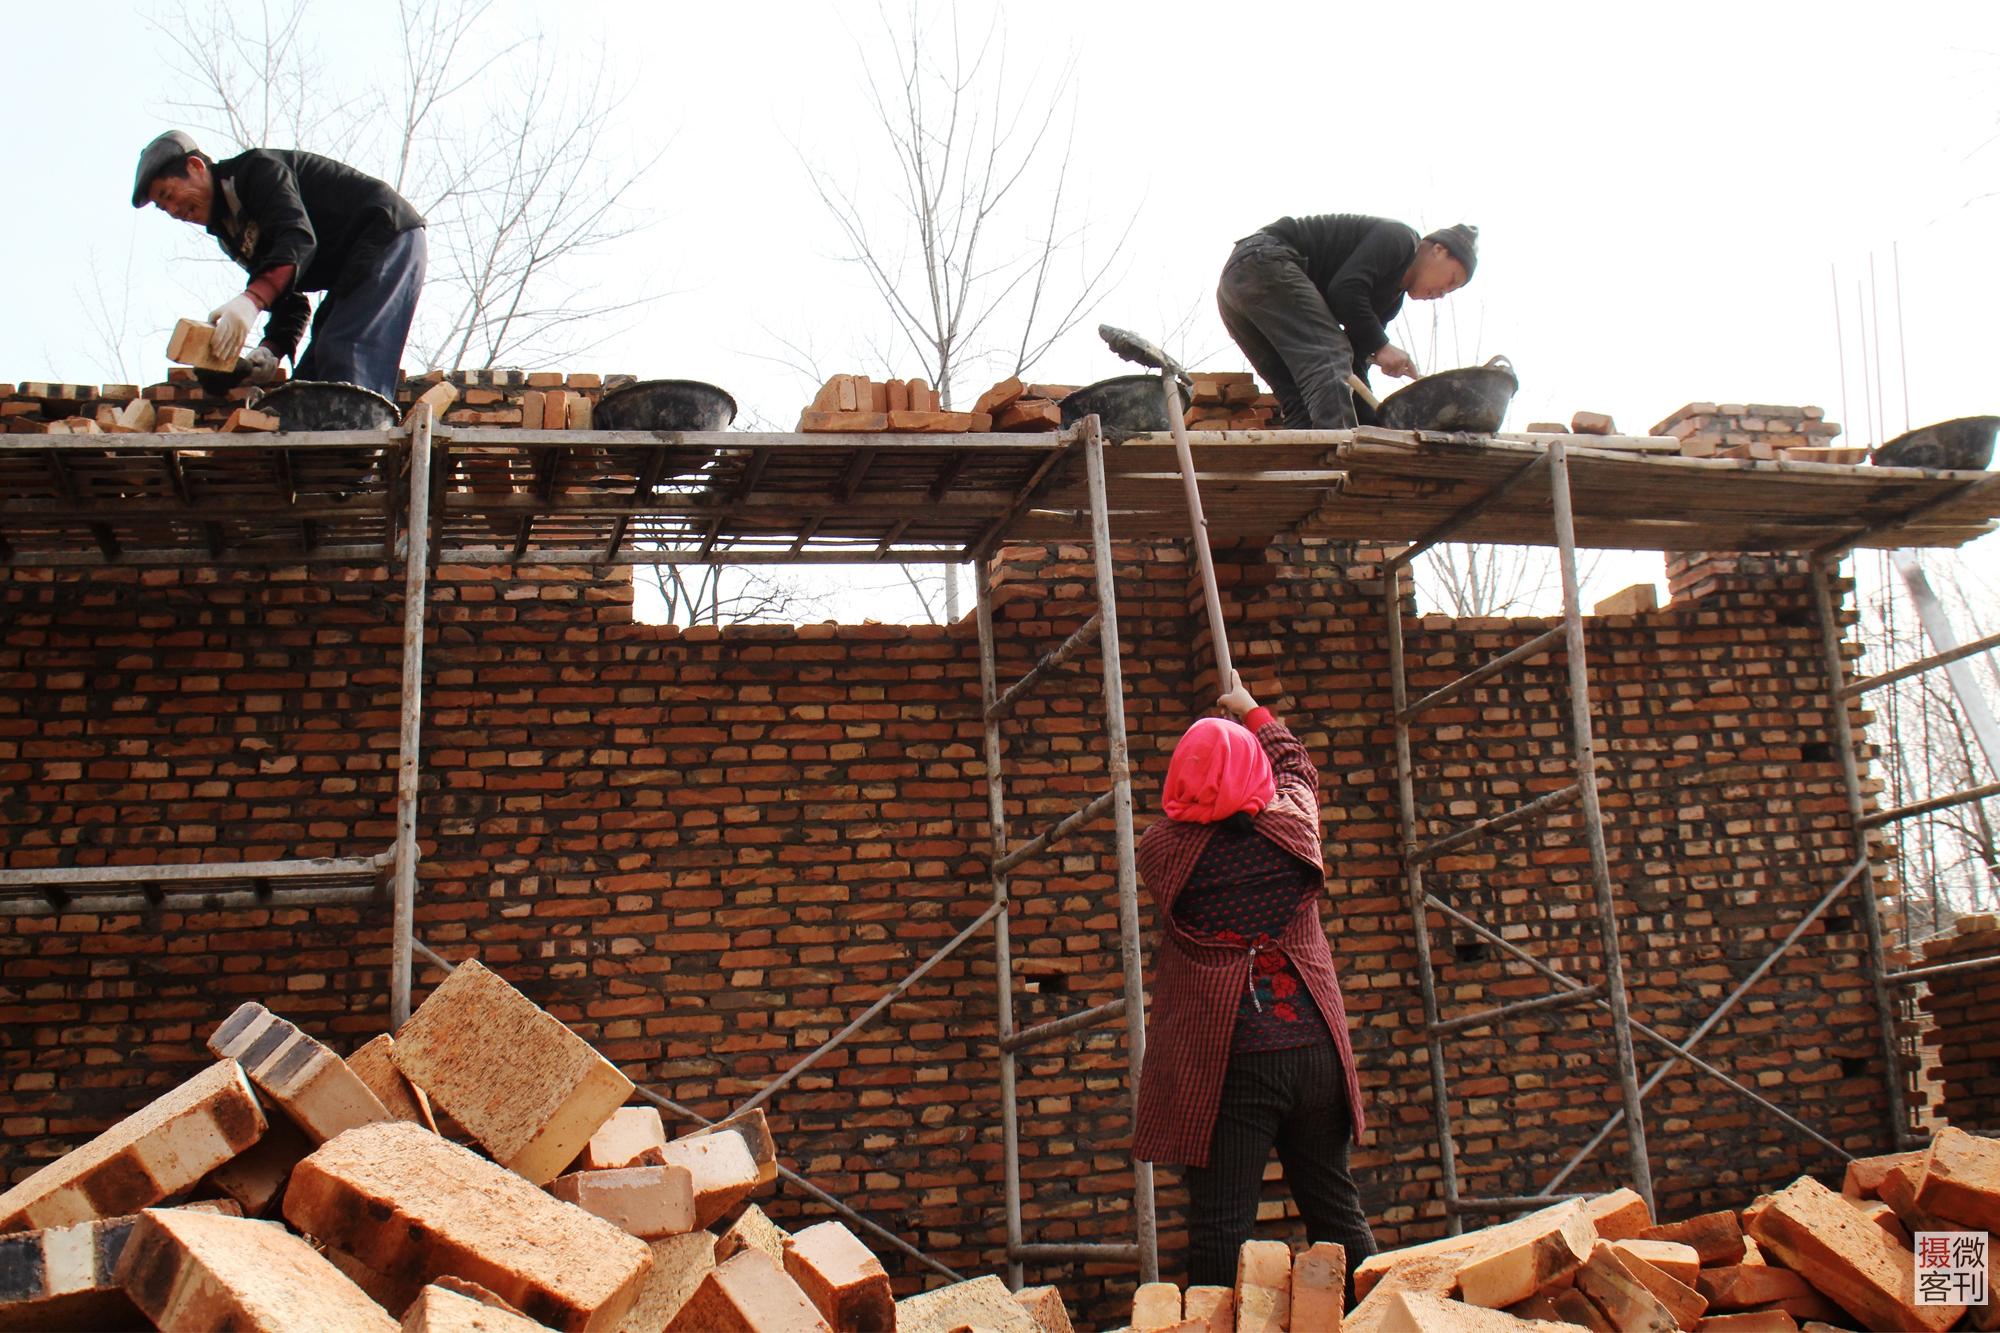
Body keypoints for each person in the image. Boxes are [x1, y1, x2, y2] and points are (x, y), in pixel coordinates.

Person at [1133, 672, 1376, 1293]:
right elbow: (1298, 770)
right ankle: (1381, 1317)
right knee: (1336, 1214)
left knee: (1221, 1227)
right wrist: (1250, 711)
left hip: (1230, 1065)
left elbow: (1196, 816)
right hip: (1315, 1054)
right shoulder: (1295, 830)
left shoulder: (1162, 851)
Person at [131, 130, 426, 400]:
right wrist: (269, 351)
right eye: (163, 207)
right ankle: (329, 449)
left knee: (344, 349)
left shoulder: (255, 171)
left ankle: (359, 440)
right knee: (309, 382)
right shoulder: (231, 234)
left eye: (169, 195)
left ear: (195, 166)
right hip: (351, 267)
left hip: (387, 235)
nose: (173, 211)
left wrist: (253, 299)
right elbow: (291, 299)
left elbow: (297, 239)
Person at [1217, 214, 1478, 430]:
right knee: (1329, 357)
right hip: (1264, 262)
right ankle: (1338, 460)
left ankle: (1305, 467)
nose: (1443, 293)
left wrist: (1375, 426)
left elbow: (1353, 366)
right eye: (1452, 280)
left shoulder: (1389, 301)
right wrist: (1382, 345)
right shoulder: (1401, 240)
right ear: (1438, 250)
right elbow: (1345, 290)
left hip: (1238, 288)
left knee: (1299, 396)